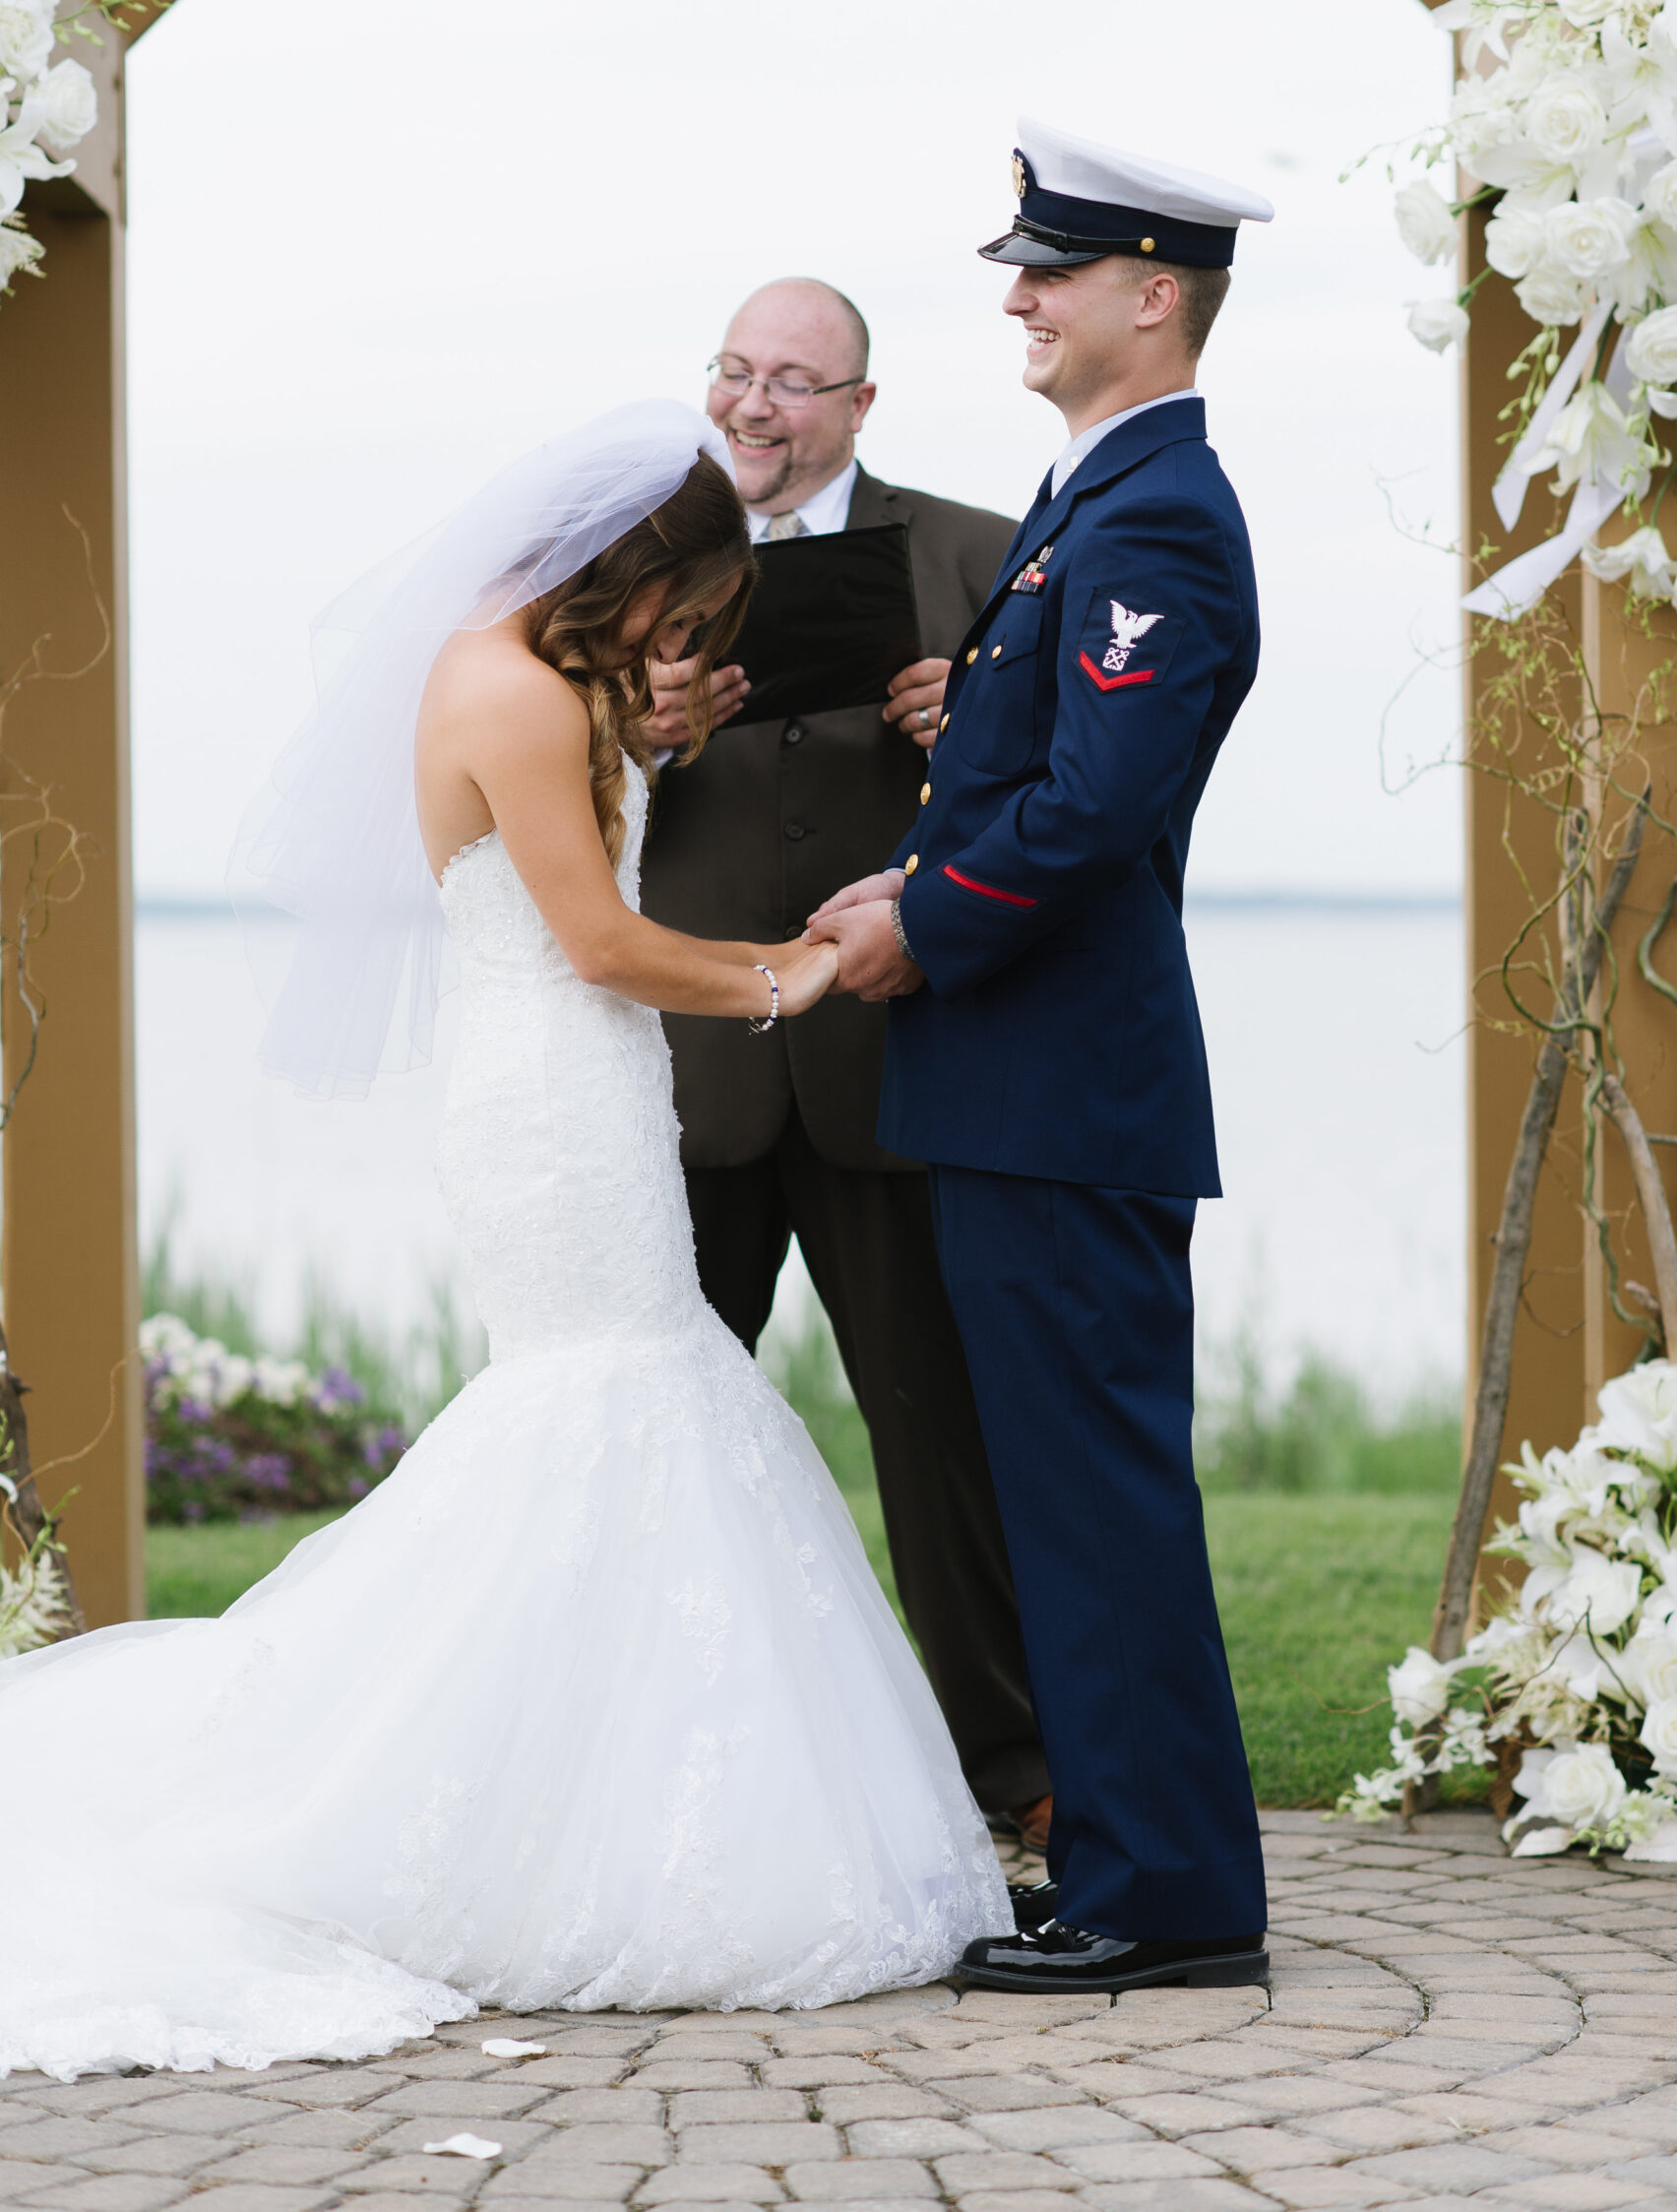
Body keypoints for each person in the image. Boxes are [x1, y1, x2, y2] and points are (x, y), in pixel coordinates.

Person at [0, 402, 1010, 2081]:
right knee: (604, 1406)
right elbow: (603, 940)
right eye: (677, 615)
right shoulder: (515, 688)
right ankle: (467, 1812)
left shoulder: (527, 677)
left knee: (631, 1412)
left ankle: (585, 1806)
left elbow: (585, 864)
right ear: (624, 572)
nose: (679, 643)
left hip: (572, 1084)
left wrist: (670, 733)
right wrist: (801, 970)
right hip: (554, 1090)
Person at [808, 119, 1273, 1997]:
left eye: (1050, 270)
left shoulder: (1157, 510)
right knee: (1068, 1492)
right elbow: (1043, 792)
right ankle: (1142, 1868)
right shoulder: (1097, 493)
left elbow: (1097, 814)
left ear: (1150, 296)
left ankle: (1157, 1896)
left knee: (1094, 1499)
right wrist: (916, 863)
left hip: (1064, 1089)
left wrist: (925, 923)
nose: (1019, 293)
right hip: (1032, 1085)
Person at [638, 277, 1051, 1839]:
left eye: (798, 381)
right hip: (692, 1080)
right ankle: (663, 1772)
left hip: (893, 1069)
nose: (758, 403)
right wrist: (647, 724)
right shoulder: (637, 555)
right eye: (736, 370)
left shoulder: (974, 549)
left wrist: (982, 730)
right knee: (661, 1440)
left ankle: (1008, 1778)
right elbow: (540, 785)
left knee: (941, 1443)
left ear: (861, 406)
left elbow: (1072, 799)